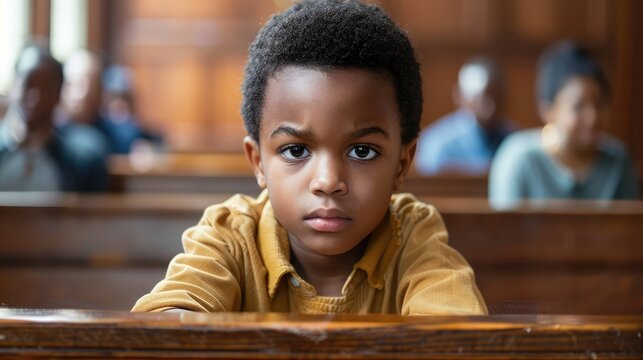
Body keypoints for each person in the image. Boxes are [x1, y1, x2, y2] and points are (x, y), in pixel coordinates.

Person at [133, 0, 486, 315]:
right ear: (258, 162)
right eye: (296, 150)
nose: (328, 181)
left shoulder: (412, 236)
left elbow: (453, 335)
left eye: (362, 151)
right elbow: (167, 325)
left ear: (402, 164)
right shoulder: (232, 236)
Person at [489, 41, 639, 208]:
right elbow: (504, 230)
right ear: (547, 111)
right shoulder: (518, 159)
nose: (593, 117)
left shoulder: (618, 161)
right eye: (578, 106)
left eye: (599, 104)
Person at [0, 44, 108, 192]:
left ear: (59, 94)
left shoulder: (83, 163)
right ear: (13, 86)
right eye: (28, 84)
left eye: (45, 89)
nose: (34, 98)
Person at [415, 57, 514, 175]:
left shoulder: (514, 140)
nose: (490, 107)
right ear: (460, 97)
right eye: (481, 99)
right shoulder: (438, 144)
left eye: (496, 97)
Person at [96, 64, 164, 154]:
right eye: (114, 96)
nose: (118, 102)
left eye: (124, 97)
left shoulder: (134, 124)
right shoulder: (99, 125)